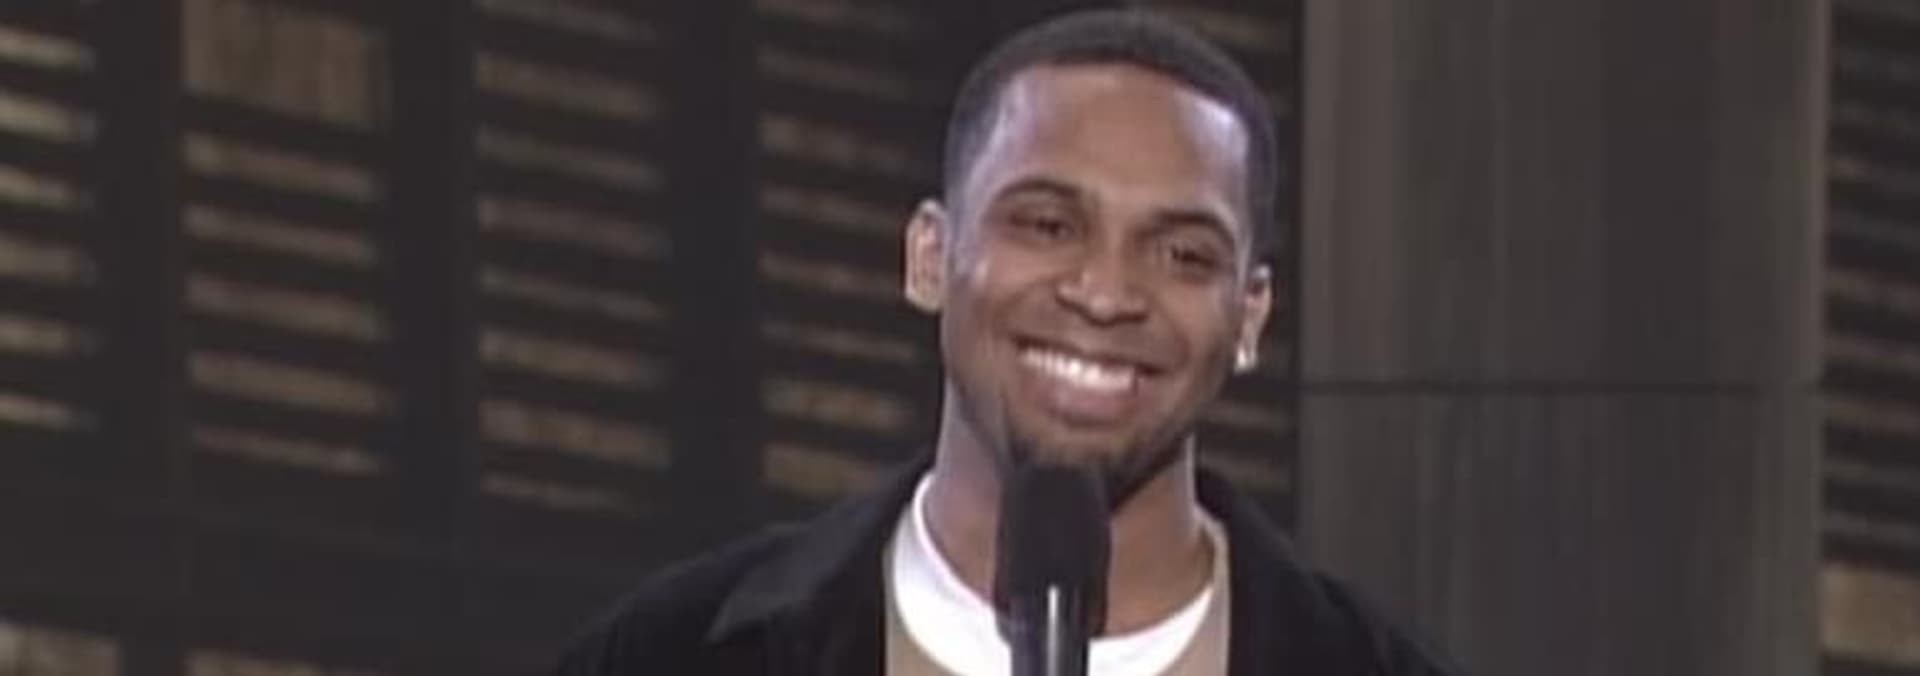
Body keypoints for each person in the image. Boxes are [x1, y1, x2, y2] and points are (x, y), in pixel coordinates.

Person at [555, 9, 1460, 675]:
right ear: (929, 257)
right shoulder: (674, 655)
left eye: (1183, 255)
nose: (1105, 294)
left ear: (1249, 316)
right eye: (1047, 225)